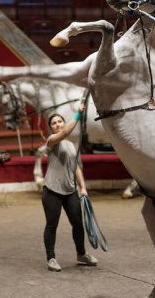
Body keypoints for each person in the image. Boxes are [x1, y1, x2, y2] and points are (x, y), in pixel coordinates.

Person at [42, 103, 98, 272]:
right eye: (54, 123)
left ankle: (81, 254)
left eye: (60, 121)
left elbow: (76, 168)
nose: (58, 124)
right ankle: (51, 258)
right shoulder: (51, 141)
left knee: (78, 224)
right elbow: (66, 131)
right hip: (52, 190)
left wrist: (83, 187)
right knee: (52, 225)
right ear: (51, 128)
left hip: (70, 190)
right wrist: (78, 114)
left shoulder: (70, 145)